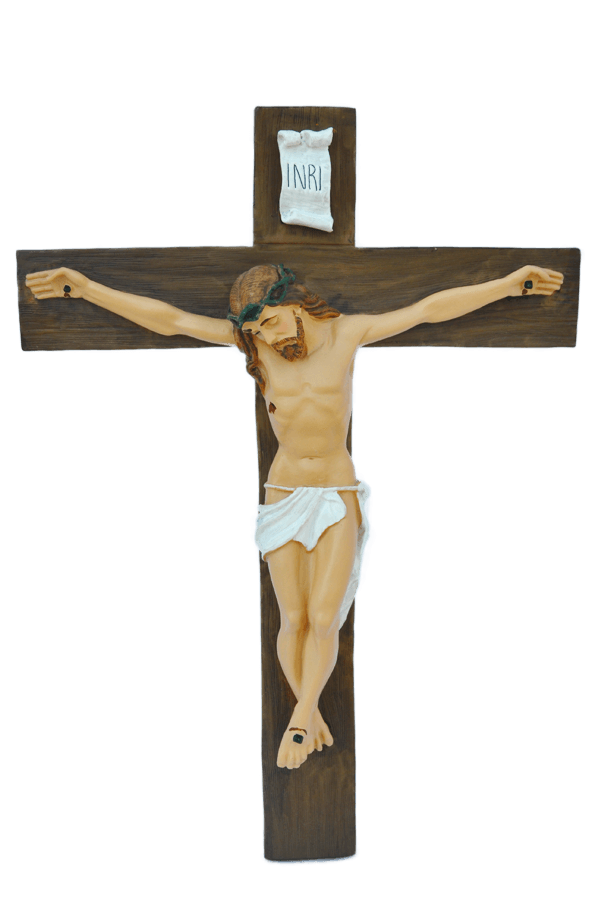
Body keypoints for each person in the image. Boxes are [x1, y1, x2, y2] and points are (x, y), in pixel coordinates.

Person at [25, 262, 564, 769]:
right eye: (254, 329)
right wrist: (85, 288)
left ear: (296, 303)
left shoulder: (348, 333)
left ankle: (301, 719)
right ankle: (311, 712)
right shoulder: (254, 345)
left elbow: (428, 310)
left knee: (326, 617)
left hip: (335, 490)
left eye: (271, 321)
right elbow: (170, 320)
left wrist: (508, 284)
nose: (265, 335)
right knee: (294, 619)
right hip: (283, 492)